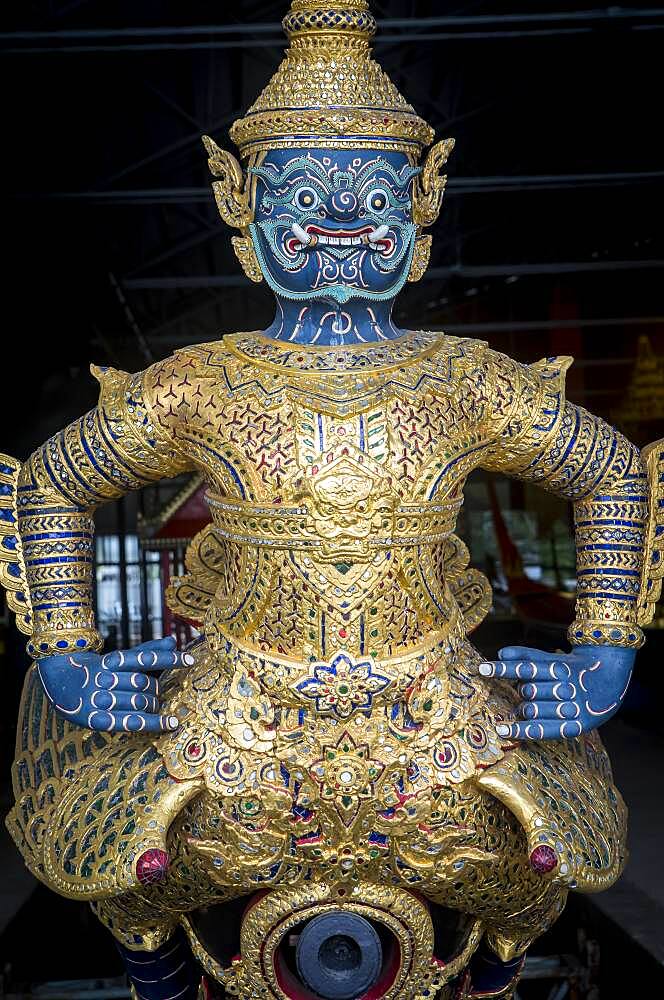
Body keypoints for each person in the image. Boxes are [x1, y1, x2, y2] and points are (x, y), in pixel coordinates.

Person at [1, 3, 661, 998]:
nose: (344, 218)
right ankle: (161, 977)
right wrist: (66, 656)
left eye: (373, 194)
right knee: (133, 871)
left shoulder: (461, 377)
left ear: (420, 206)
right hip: (237, 728)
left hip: (432, 719)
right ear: (243, 205)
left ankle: (488, 982)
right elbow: (54, 479)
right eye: (307, 192)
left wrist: (607, 648)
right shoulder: (203, 382)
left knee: (534, 870)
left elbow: (609, 468)